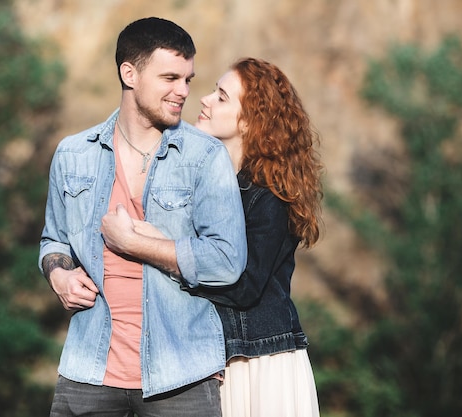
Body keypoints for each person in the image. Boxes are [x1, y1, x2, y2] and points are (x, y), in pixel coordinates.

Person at [38, 17, 247, 417]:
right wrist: (59, 276)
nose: (183, 91)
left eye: (188, 79)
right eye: (170, 77)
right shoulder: (72, 154)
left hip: (181, 374)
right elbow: (54, 242)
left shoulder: (204, 156)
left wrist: (137, 245)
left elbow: (227, 261)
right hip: (88, 370)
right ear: (129, 73)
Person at [192, 57, 324, 416]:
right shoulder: (210, 185)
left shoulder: (268, 197)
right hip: (219, 358)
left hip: (260, 363)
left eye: (221, 97)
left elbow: (245, 285)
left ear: (251, 121)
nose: (204, 99)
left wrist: (169, 263)